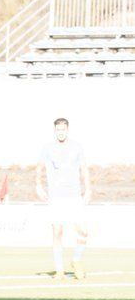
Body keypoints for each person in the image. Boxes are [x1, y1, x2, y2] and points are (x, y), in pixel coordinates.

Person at [36, 118, 91, 280]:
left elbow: (84, 169)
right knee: (57, 231)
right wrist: (38, 185)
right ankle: (60, 271)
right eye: (58, 130)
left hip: (74, 196)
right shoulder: (47, 148)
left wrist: (88, 189)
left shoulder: (77, 147)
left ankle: (76, 260)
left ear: (67, 130)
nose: (61, 132)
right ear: (55, 131)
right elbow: (39, 168)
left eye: (63, 130)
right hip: (56, 197)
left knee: (84, 232)